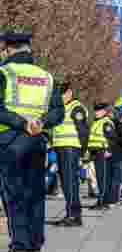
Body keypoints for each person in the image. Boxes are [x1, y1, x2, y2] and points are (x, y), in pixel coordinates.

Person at [0, 32, 64, 252]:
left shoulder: (4, 73)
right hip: (37, 142)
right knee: (35, 196)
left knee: (14, 195)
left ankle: (20, 251)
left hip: (10, 142)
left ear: (7, 49)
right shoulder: (46, 77)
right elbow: (58, 112)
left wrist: (21, 123)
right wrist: (40, 122)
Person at [50, 81, 89, 226]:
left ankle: (73, 215)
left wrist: (83, 152)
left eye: (62, 94)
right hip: (61, 148)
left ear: (69, 93)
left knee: (70, 183)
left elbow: (83, 131)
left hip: (70, 148)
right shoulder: (61, 108)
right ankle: (73, 214)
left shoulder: (76, 107)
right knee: (67, 183)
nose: (60, 97)